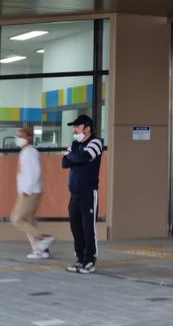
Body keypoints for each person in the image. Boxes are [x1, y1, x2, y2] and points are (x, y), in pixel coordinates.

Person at [61, 114, 105, 273]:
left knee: (88, 227)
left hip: (88, 192)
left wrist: (75, 157)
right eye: (74, 127)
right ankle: (80, 258)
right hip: (74, 193)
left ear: (87, 128)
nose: (75, 130)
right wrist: (76, 157)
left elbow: (85, 156)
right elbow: (64, 162)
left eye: (77, 127)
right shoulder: (75, 144)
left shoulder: (96, 142)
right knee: (76, 227)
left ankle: (89, 260)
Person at [10, 127, 53, 259]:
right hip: (27, 191)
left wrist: (27, 190)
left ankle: (43, 238)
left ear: (29, 138)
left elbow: (35, 172)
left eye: (21, 136)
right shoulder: (25, 152)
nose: (18, 139)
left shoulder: (30, 152)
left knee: (17, 219)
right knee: (29, 221)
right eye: (18, 136)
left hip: (30, 192)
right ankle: (40, 250)